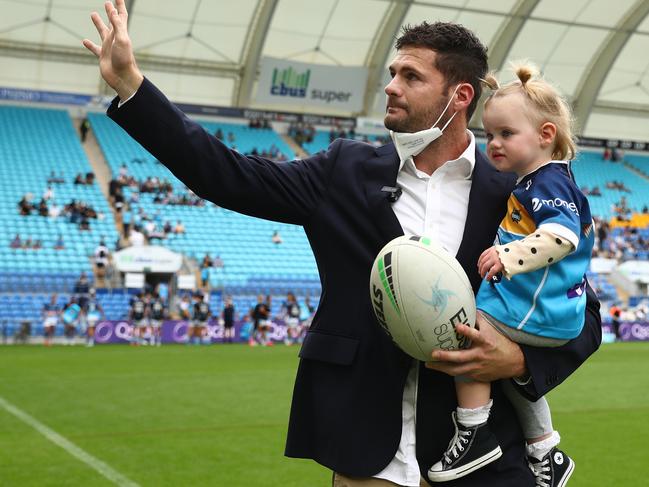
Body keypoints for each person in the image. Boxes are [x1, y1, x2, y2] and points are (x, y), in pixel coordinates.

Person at [84, 8, 601, 486]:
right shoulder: (343, 169)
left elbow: (584, 309)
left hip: (484, 460)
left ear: (460, 96)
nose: (391, 87)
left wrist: (515, 361)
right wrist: (133, 86)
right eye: (393, 73)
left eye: (411, 77)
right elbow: (228, 176)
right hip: (365, 450)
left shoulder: (517, 187)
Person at [427, 65, 593, 484]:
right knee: (518, 381)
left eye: (506, 133)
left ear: (545, 135)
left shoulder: (548, 183)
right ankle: (546, 452)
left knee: (466, 332)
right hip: (546, 313)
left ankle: (474, 432)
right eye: (490, 134)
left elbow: (561, 237)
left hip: (536, 312)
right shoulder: (540, 181)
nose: (494, 143)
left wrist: (508, 256)